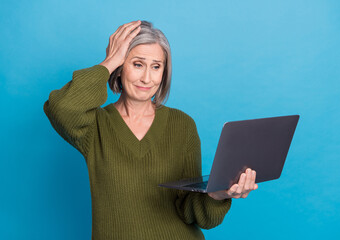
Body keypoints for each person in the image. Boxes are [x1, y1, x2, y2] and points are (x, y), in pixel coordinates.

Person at [43, 20, 258, 240]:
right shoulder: (94, 126)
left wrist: (217, 193)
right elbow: (60, 107)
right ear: (120, 68)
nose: (147, 78)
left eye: (156, 66)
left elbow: (189, 209)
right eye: (137, 64)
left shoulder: (182, 125)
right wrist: (109, 61)